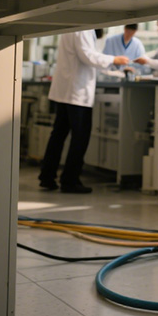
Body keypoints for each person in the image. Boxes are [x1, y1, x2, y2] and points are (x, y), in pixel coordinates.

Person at [39, 29, 129, 193]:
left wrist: (109, 63)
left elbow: (85, 57)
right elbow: (87, 55)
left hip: (67, 89)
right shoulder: (84, 28)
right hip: (76, 91)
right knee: (80, 138)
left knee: (58, 135)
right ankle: (69, 181)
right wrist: (113, 59)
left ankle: (47, 176)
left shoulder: (73, 26)